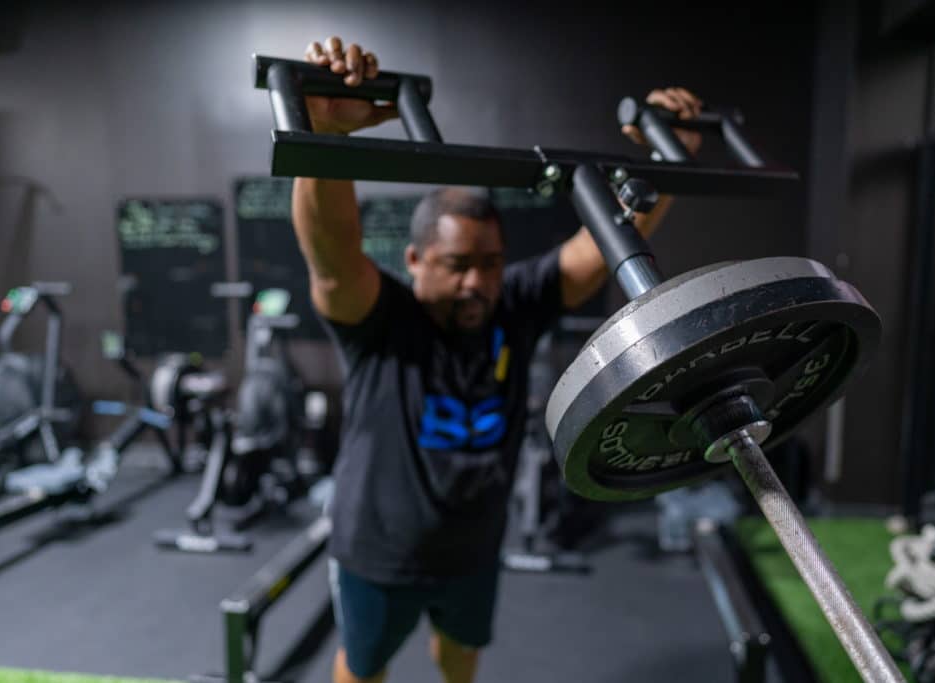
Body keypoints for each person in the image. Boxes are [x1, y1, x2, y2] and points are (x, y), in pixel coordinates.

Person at [292, 34, 704, 683]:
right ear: (416, 261)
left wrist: (665, 156)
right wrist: (324, 135)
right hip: (378, 551)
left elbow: (601, 244)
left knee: (459, 660)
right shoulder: (382, 319)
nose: (476, 283)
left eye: (489, 264)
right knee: (362, 671)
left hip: (474, 548)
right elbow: (333, 249)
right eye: (457, 266)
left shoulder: (513, 304)